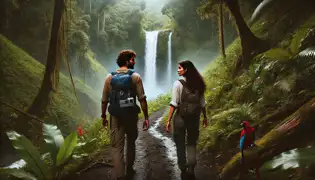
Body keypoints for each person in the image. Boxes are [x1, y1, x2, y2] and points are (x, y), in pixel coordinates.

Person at [101, 50, 150, 180]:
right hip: (131, 115)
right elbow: (142, 99)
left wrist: (103, 116)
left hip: (115, 116)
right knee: (131, 142)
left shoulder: (109, 78)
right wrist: (146, 117)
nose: (134, 62)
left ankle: (120, 176)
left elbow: (104, 100)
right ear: (127, 61)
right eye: (133, 59)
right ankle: (129, 168)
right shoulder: (135, 77)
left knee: (117, 146)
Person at [165, 60, 208, 180]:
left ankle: (183, 169)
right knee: (192, 143)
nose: (178, 70)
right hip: (194, 119)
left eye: (179, 68)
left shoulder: (178, 84)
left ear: (186, 69)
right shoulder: (199, 83)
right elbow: (202, 103)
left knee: (180, 144)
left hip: (180, 118)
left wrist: (168, 120)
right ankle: (191, 168)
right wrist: (204, 117)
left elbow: (174, 104)